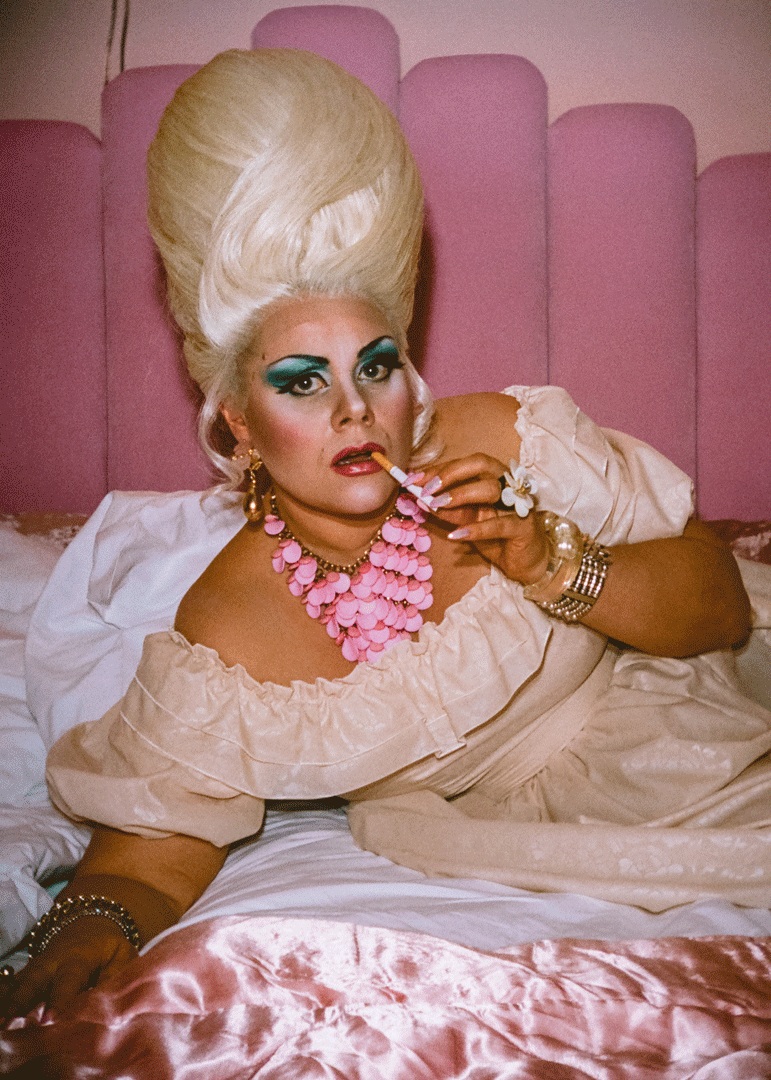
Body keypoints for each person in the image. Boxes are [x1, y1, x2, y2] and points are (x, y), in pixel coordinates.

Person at [3, 47, 768, 1022]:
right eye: (302, 381)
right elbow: (157, 839)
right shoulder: (228, 628)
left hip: (704, 715)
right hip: (513, 839)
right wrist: (91, 921)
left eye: (375, 365)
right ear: (238, 419)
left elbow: (718, 609)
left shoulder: (515, 441)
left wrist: (554, 561)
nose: (355, 410)